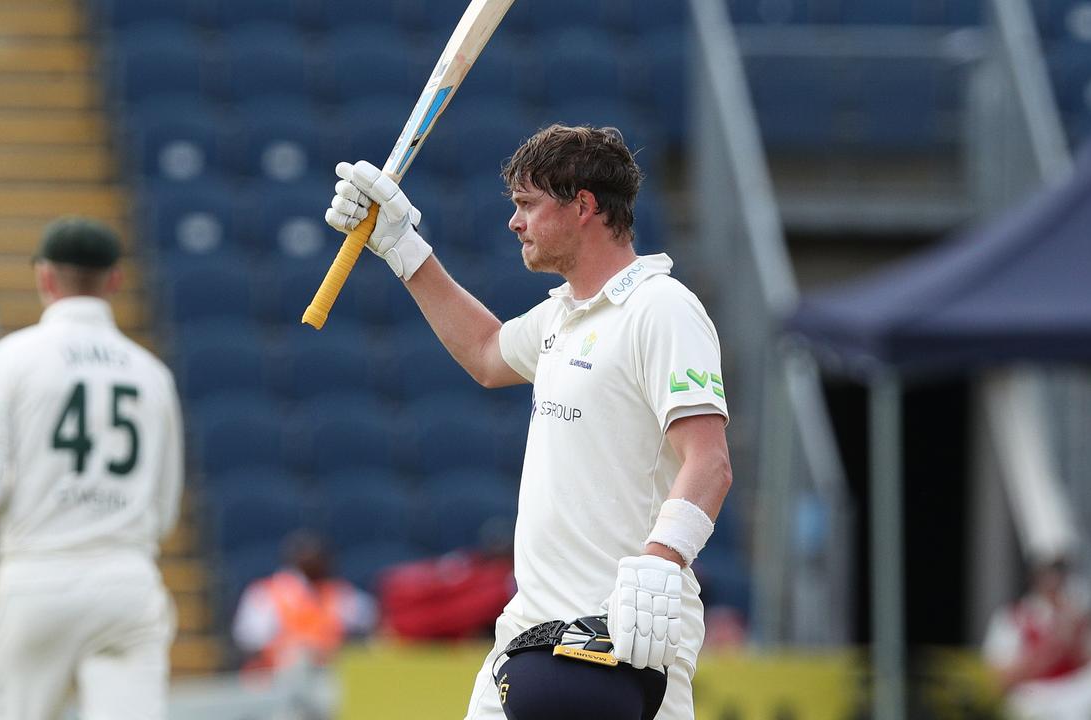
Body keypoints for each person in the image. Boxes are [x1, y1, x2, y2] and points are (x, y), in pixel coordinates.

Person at [324, 124, 733, 720]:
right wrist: (401, 246)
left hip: (622, 640)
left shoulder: (660, 308)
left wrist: (660, 561)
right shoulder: (561, 316)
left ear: (584, 206)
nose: (515, 223)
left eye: (527, 206)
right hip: (525, 640)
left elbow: (711, 462)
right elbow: (488, 353)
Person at [0, 217, 184, 720]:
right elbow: (164, 512)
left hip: (39, 575)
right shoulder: (152, 375)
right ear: (115, 280)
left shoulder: (9, 359)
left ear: (44, 277)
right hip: (127, 580)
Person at [232, 530, 377, 720]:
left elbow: (370, 618)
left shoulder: (337, 593)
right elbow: (249, 640)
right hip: (276, 679)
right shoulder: (267, 593)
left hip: (325, 677)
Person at [982, 553, 1091, 720]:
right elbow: (1002, 680)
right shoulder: (1012, 617)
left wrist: (1078, 637)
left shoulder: (1075, 613)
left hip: (1075, 693)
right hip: (1035, 694)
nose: (1055, 578)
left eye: (1060, 571)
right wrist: (1050, 649)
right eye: (1048, 571)